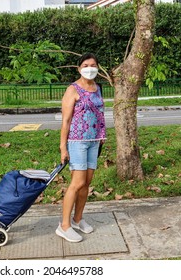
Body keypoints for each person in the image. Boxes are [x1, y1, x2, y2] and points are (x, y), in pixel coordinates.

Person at [56, 52, 106, 242]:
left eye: (93, 65)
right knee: (76, 183)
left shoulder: (97, 87)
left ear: (97, 68)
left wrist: (102, 134)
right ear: (79, 68)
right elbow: (66, 121)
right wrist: (63, 148)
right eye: (85, 65)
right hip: (77, 142)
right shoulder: (72, 89)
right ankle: (64, 225)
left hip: (95, 141)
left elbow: (100, 113)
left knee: (86, 184)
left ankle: (77, 220)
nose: (89, 68)